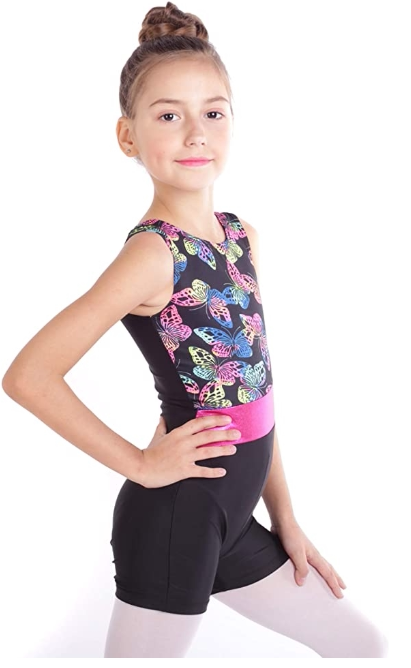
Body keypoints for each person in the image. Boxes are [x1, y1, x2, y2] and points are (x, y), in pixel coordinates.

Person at [2, 2, 389, 659]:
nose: (194, 134)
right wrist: (139, 463)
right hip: (176, 518)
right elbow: (28, 375)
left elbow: (256, 392)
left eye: (212, 113)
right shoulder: (153, 255)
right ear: (127, 136)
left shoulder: (241, 238)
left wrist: (286, 518)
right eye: (167, 116)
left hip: (234, 519)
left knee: (362, 644)